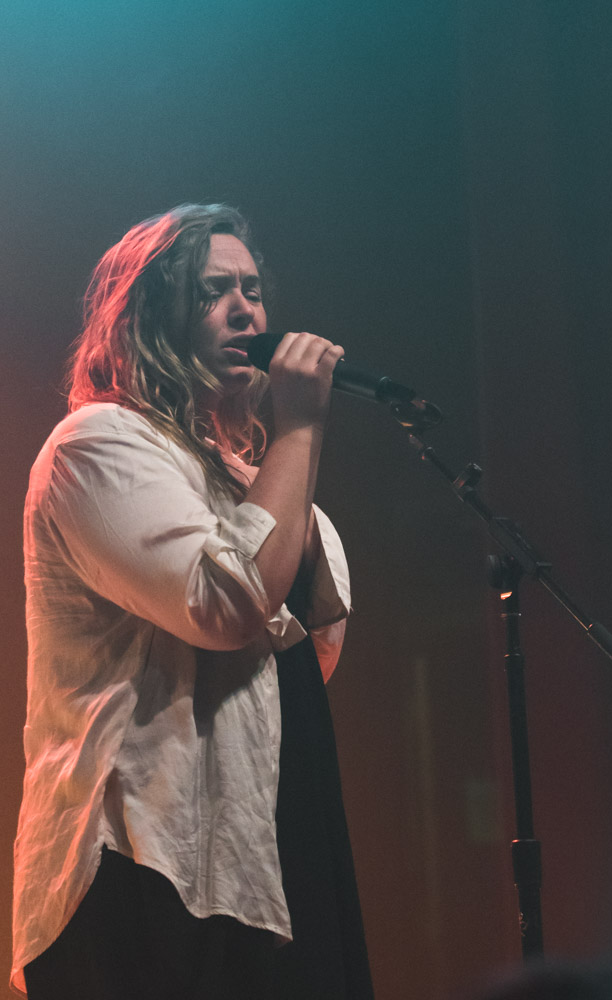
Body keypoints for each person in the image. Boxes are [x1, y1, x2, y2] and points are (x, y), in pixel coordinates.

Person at [12, 204, 374, 999]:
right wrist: (302, 430)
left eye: (253, 288)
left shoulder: (244, 474)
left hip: (267, 845)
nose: (248, 309)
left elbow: (312, 643)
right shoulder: (100, 444)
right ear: (151, 318)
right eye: (215, 292)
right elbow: (229, 604)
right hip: (146, 861)